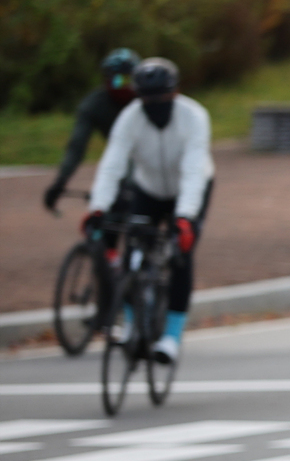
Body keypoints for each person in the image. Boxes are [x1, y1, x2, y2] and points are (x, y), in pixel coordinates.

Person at [82, 58, 214, 363]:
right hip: (149, 189)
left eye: (161, 98)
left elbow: (194, 169)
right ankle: (132, 324)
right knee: (132, 252)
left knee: (181, 256)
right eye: (147, 99)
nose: (154, 105)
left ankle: (171, 337)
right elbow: (112, 164)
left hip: (189, 189)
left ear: (175, 93)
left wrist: (185, 217)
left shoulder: (194, 117)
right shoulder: (130, 118)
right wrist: (98, 208)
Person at [43, 48, 137, 214]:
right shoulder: (94, 106)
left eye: (129, 80)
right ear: (106, 81)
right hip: (120, 163)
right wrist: (60, 182)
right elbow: (76, 147)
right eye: (117, 81)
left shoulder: (147, 101)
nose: (124, 87)